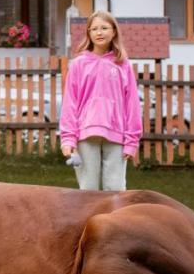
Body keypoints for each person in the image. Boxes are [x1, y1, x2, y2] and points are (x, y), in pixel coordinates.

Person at [59, 11, 142, 191]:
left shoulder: (123, 64)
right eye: (94, 29)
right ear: (88, 33)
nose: (99, 32)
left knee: (115, 189)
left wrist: (131, 141)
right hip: (85, 133)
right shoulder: (79, 64)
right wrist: (68, 139)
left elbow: (132, 104)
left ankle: (114, 221)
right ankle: (88, 220)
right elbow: (70, 103)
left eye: (104, 28)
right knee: (88, 190)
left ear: (114, 32)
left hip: (117, 134)